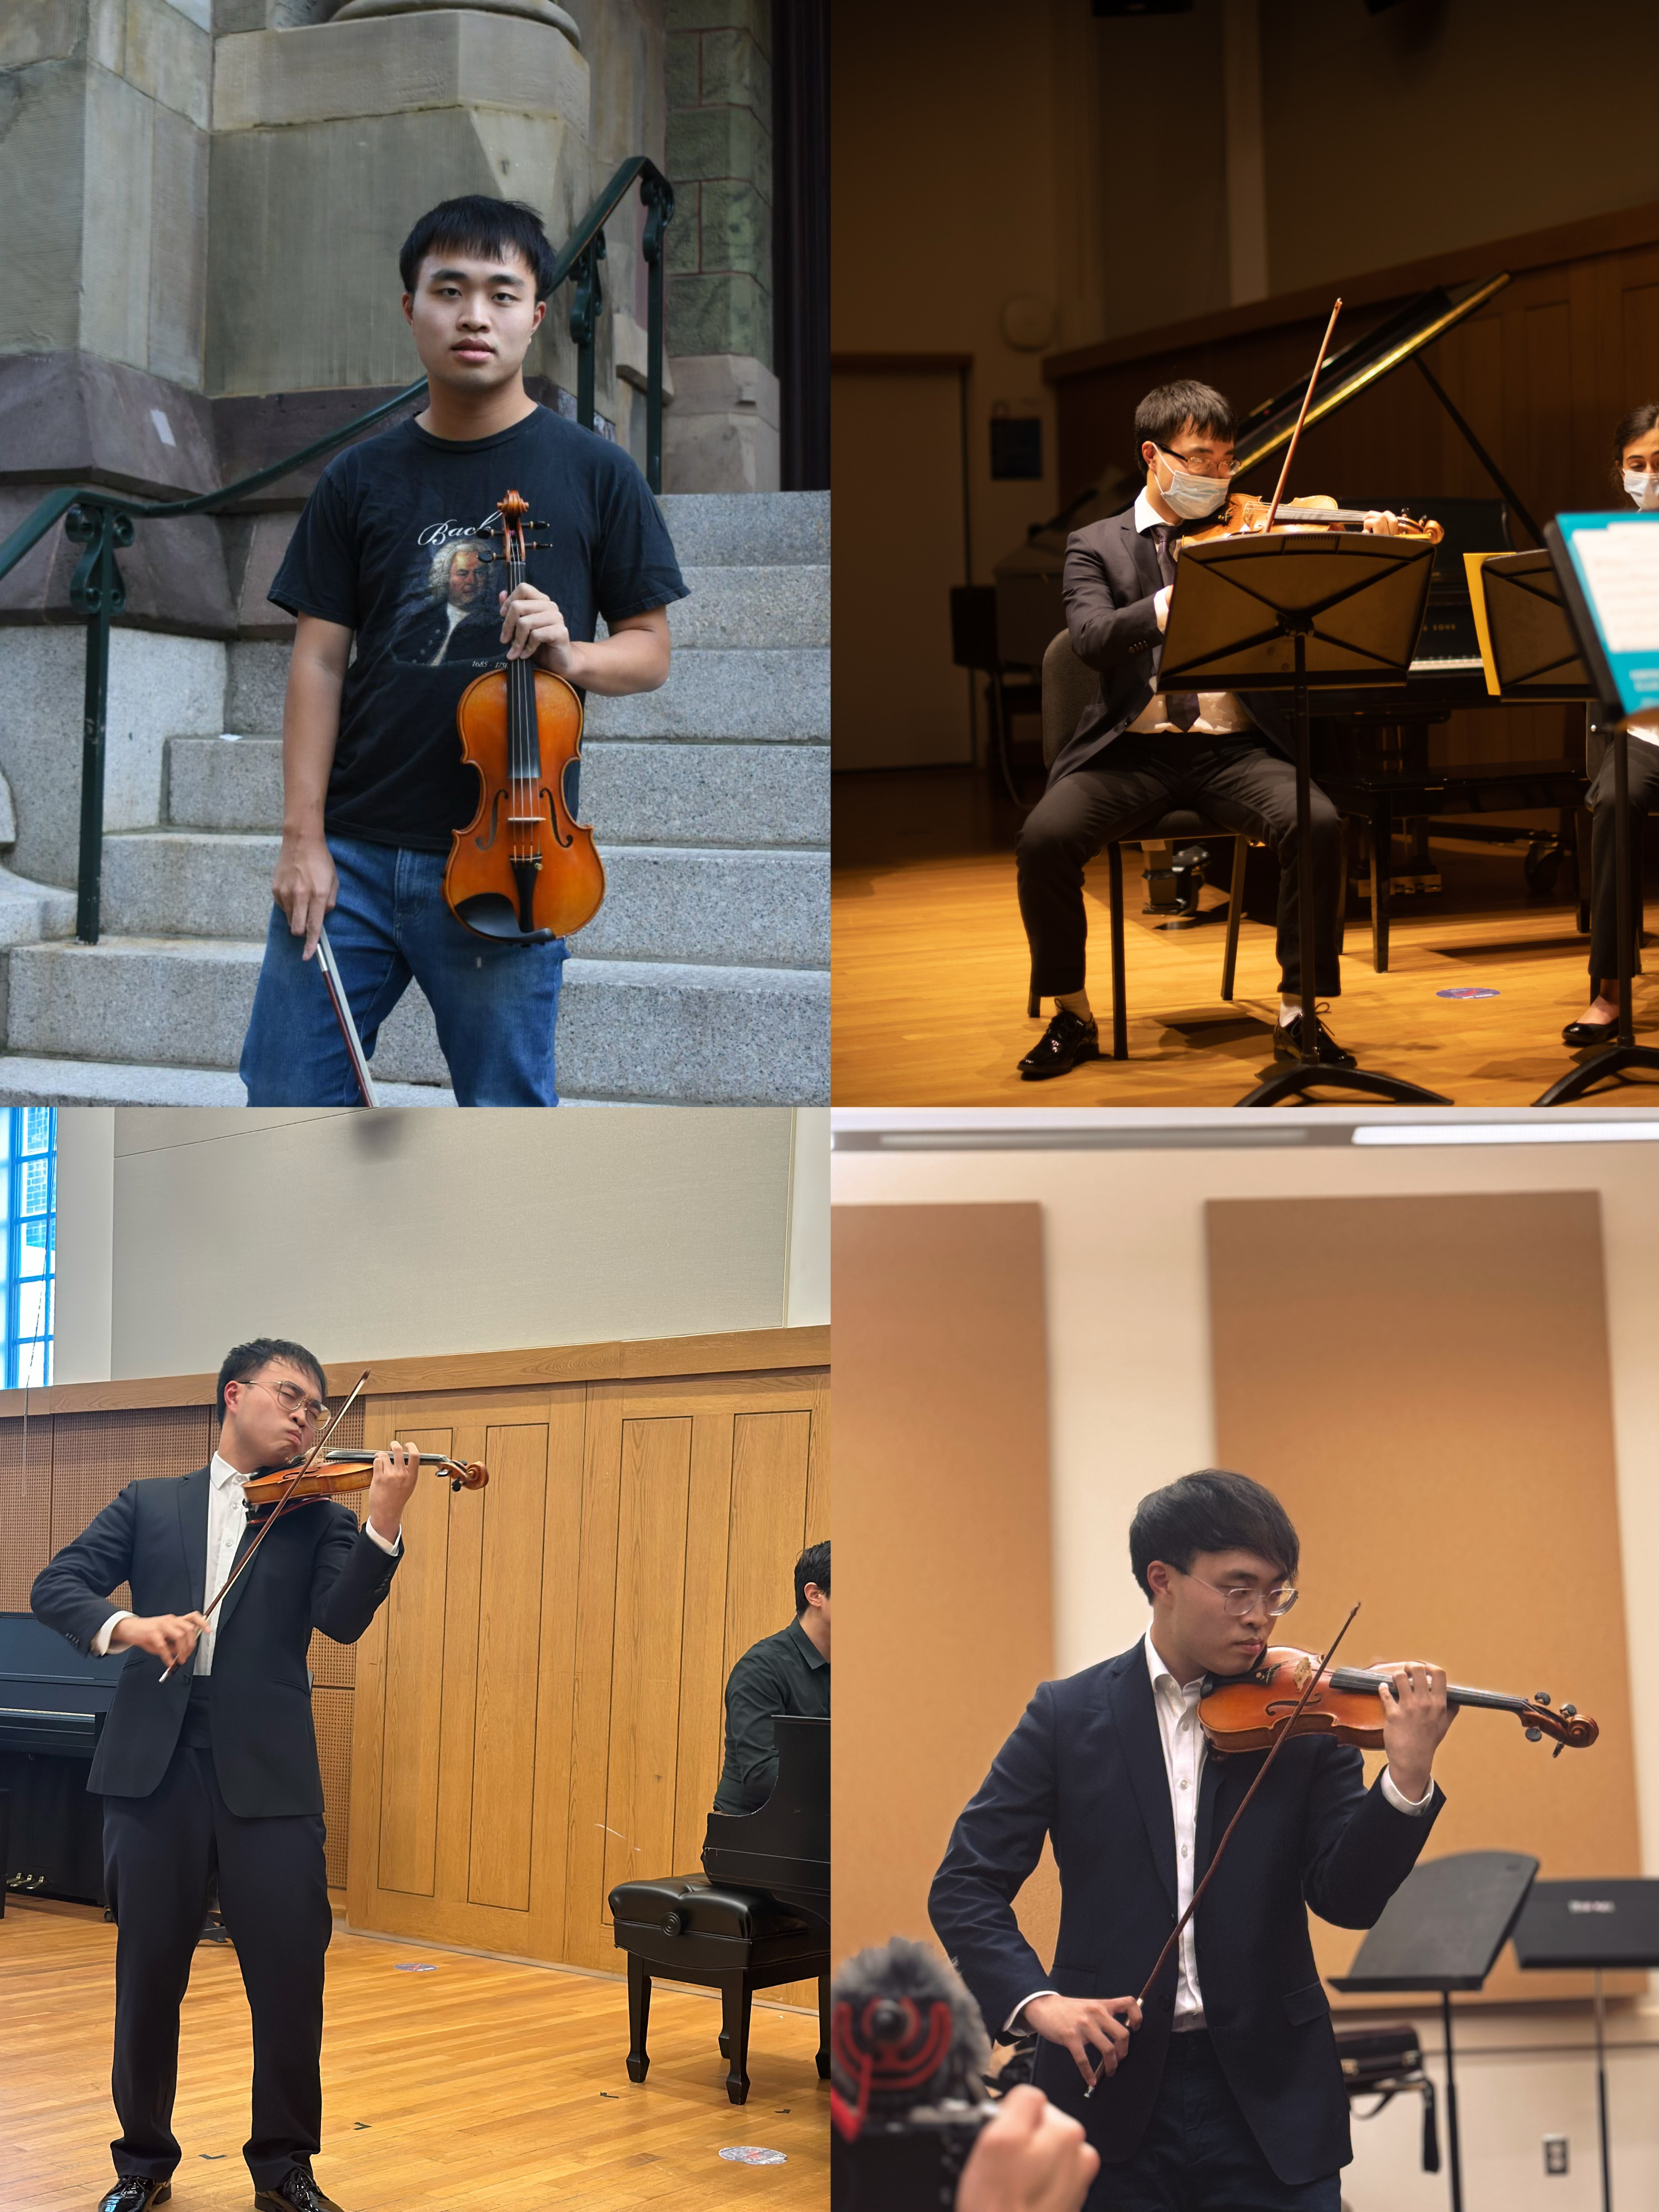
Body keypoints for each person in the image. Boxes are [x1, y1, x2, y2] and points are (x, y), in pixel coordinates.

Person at [239, 194, 688, 1106]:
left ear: (537, 314)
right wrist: (302, 837)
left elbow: (648, 651)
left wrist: (574, 657)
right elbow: (320, 662)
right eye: (448, 291)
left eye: (499, 292)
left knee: (502, 1116)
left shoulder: (598, 474)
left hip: (515, 857)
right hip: (353, 855)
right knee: (285, 1096)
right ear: (411, 310)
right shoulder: (359, 478)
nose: (473, 315)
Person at [929, 1469, 1456, 2209]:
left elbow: (1348, 1898)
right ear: (1162, 1579)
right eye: (1237, 1588)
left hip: (1268, 2099)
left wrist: (1405, 1775)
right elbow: (965, 1884)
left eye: (1276, 1592)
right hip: (1103, 2093)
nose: (1260, 1616)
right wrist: (1039, 2002)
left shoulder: (1305, 1714)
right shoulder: (1065, 1715)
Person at [31, 1338, 421, 2212]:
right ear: (234, 1396)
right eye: (291, 1397)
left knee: (290, 1980)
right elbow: (57, 1586)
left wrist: (383, 1524)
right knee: (147, 1980)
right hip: (152, 1772)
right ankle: (141, 2166)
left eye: (317, 1409)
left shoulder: (319, 1515)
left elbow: (343, 1619)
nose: (306, 1418)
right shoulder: (150, 1503)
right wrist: (128, 1628)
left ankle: (284, 2169)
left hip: (268, 1775)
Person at [1015, 381, 1410, 1082]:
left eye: (1227, 461)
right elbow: (1091, 639)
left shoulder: (1252, 533)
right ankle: (1071, 1014)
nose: (1216, 476)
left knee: (1316, 824)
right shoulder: (1095, 546)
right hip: (1128, 753)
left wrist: (1365, 541)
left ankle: (1298, 1012)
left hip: (1235, 748)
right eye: (1199, 458)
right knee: (1044, 840)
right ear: (1153, 456)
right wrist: (1173, 597)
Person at [1560, 401, 1659, 1048]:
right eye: (1637, 464)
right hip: (1643, 726)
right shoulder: (1602, 550)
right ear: (1618, 471)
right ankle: (1609, 991)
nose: (1648, 476)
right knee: (1616, 800)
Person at [711, 1540, 830, 1813]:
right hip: (756, 1837)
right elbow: (762, 1774)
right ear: (815, 1595)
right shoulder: (761, 1668)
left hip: (822, 1833)